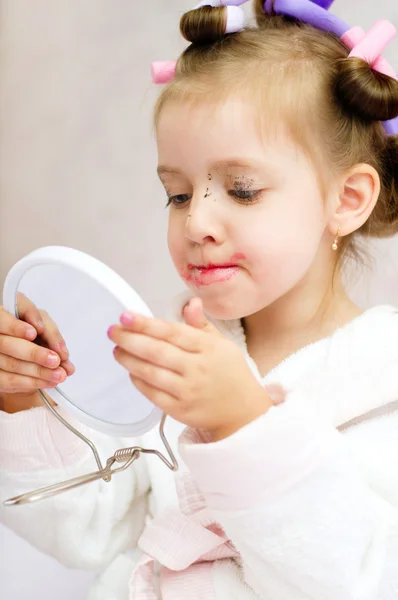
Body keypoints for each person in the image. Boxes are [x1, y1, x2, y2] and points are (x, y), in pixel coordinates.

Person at [1, 1, 398, 598]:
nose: (198, 223)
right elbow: (91, 535)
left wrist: (243, 424)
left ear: (346, 199)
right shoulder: (180, 355)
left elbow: (354, 579)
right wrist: (23, 402)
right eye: (179, 195)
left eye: (241, 190)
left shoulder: (382, 383)